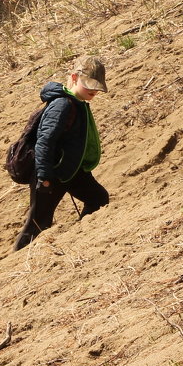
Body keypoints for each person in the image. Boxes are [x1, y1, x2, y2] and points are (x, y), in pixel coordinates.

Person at [14, 56, 110, 251]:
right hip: (52, 173)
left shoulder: (78, 102)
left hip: (72, 170)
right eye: (89, 85)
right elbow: (44, 142)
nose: (94, 91)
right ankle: (19, 260)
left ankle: (80, 242)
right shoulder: (62, 105)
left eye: (96, 87)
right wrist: (44, 176)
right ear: (74, 77)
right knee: (38, 222)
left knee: (98, 199)